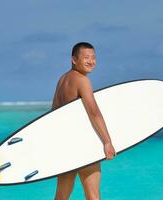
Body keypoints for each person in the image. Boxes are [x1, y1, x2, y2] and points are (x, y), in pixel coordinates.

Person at [52, 42, 116, 200]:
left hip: (65, 146)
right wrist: (107, 142)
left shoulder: (62, 80)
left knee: (61, 196)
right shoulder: (82, 80)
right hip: (83, 145)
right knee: (93, 196)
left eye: (94, 57)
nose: (91, 61)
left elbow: (53, 115)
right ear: (74, 59)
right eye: (86, 57)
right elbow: (94, 112)